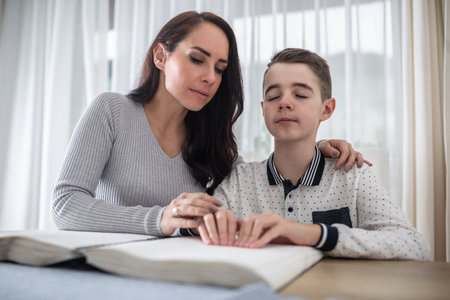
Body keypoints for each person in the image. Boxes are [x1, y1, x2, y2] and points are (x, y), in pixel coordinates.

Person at [51, 11, 367, 237]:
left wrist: (313, 150)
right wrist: (160, 219)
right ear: (161, 56)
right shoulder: (112, 110)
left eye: (220, 68)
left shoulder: (213, 141)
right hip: (111, 271)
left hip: (182, 277)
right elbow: (65, 205)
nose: (210, 77)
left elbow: (258, 187)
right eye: (197, 59)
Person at [198, 48, 430, 260]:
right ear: (263, 109)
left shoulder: (353, 175)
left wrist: (314, 234)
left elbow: (416, 247)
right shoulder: (239, 181)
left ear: (326, 109)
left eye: (300, 95)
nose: (285, 102)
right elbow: (203, 232)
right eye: (273, 97)